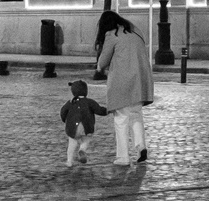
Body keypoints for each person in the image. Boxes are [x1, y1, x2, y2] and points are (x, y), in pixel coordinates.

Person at [95, 10, 153, 166]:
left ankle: (123, 157)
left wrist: (99, 67)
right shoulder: (135, 31)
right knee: (136, 114)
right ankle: (141, 146)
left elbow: (103, 60)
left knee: (121, 119)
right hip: (140, 81)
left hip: (122, 82)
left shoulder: (112, 35)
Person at [60, 79, 108, 167]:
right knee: (86, 139)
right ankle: (82, 150)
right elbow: (99, 110)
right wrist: (108, 110)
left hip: (73, 128)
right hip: (86, 127)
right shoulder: (90, 102)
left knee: (72, 143)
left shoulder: (70, 102)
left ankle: (69, 161)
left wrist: (65, 120)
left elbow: (63, 112)